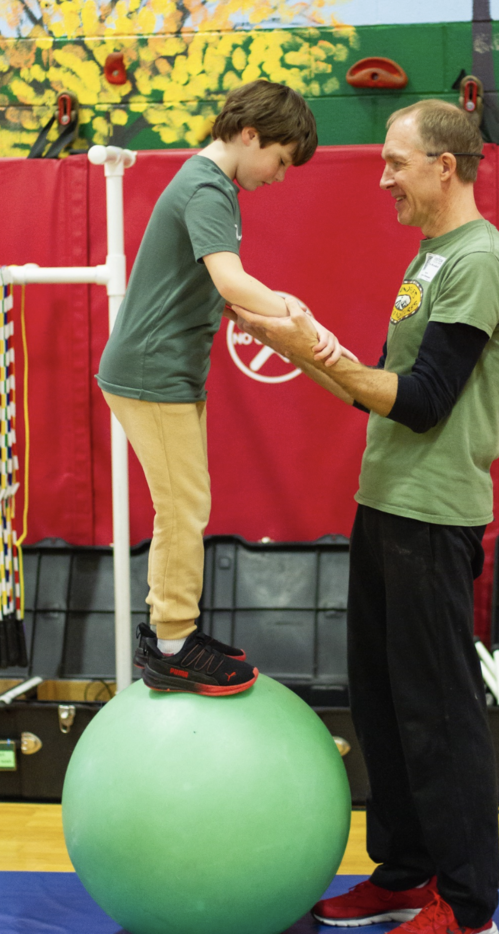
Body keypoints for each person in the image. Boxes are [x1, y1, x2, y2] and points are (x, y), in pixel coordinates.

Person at [233, 99, 499, 934]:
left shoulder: (479, 261)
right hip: (386, 505)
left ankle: (468, 910)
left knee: (438, 715)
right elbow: (381, 396)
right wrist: (303, 345)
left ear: (446, 164)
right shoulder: (431, 260)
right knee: (385, 705)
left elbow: (426, 401)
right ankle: (405, 876)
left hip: (434, 517)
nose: (383, 177)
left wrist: (320, 353)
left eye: (396, 161)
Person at [96, 80, 344, 697]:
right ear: (250, 134)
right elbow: (231, 282)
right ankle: (174, 645)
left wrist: (281, 317)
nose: (281, 176)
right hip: (152, 374)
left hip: (165, 372)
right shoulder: (208, 188)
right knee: (184, 508)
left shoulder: (208, 185)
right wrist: (298, 315)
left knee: (182, 505)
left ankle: (171, 636)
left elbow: (219, 295)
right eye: (281, 161)